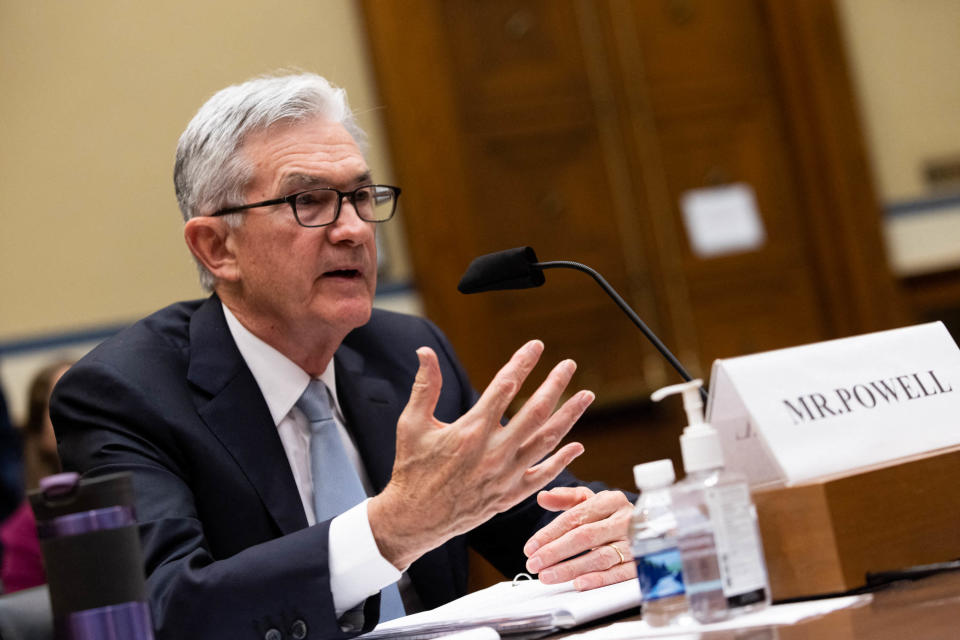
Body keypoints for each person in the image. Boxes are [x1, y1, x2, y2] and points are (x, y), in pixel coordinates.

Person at [51, 73, 635, 639]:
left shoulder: (404, 356)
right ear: (216, 246)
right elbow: (165, 613)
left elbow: (543, 523)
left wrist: (617, 530)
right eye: (309, 201)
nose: (353, 229)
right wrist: (387, 530)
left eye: (360, 196)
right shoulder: (122, 394)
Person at [1, 361, 70, 593]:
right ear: (40, 433)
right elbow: (26, 624)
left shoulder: (147, 487)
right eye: (66, 405)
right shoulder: (25, 531)